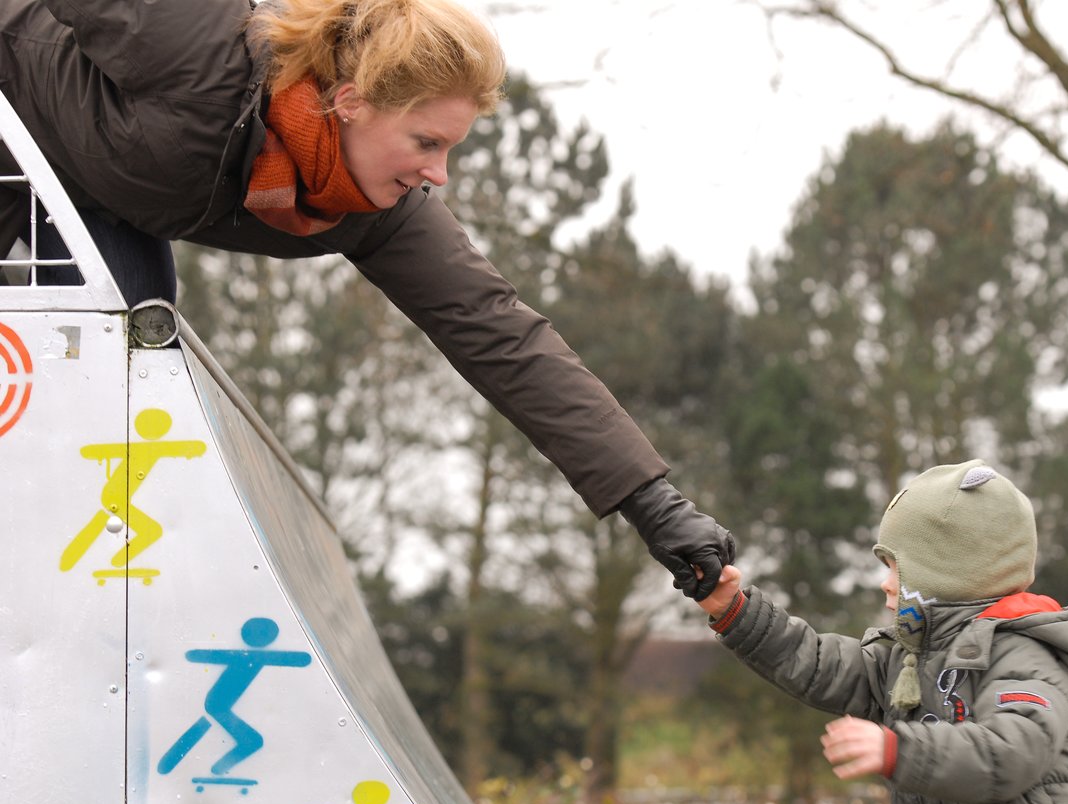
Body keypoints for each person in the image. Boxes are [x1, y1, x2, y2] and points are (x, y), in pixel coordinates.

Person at [0, 0, 733, 599]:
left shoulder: (374, 211)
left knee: (133, 372)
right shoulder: (201, 49)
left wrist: (654, 504)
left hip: (89, 198)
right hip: (17, 112)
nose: (438, 174)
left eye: (449, 150)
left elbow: (503, 336)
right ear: (350, 102)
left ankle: (67, 600)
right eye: (425, 142)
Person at [698, 460, 1068, 804]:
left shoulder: (1027, 653)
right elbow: (815, 661)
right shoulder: (907, 662)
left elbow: (1013, 752)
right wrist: (734, 610)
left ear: (950, 573)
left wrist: (899, 750)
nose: (885, 584)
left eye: (896, 568)